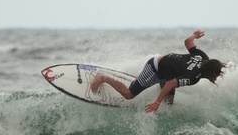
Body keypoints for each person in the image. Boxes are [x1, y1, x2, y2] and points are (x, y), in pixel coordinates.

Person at [91, 30, 226, 113]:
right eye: (216, 75)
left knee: (169, 103)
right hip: (155, 68)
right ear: (209, 72)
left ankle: (146, 91)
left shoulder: (203, 57)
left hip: (167, 70)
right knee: (129, 94)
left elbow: (187, 41)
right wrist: (156, 103)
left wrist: (194, 35)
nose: (216, 78)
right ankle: (103, 77)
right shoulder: (193, 77)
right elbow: (171, 84)